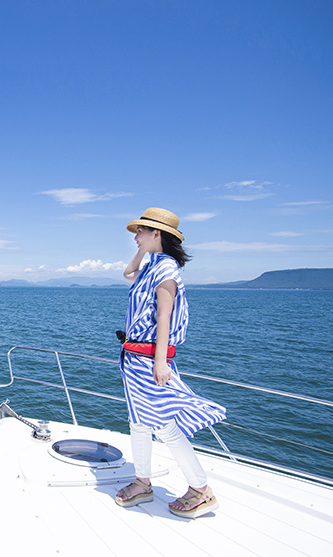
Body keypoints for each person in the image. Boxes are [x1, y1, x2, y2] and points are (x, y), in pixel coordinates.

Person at [114, 207, 226, 519]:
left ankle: (201, 489)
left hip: (150, 359)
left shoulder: (166, 273)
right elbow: (127, 274)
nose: (135, 237)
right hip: (134, 359)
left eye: (141, 232)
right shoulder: (153, 266)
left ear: (157, 234)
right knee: (139, 422)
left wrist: (161, 362)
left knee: (164, 424)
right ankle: (142, 482)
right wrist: (142, 253)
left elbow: (164, 316)